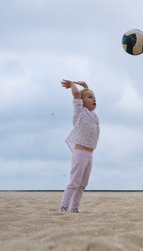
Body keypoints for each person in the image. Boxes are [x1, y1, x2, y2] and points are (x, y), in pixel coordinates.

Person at [59, 79, 100, 213]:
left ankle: (75, 208)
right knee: (74, 182)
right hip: (80, 152)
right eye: (90, 98)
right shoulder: (79, 112)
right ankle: (64, 206)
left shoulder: (93, 115)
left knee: (82, 184)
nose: (94, 99)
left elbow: (84, 94)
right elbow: (77, 96)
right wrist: (72, 85)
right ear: (82, 102)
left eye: (94, 98)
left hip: (89, 154)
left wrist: (86, 87)